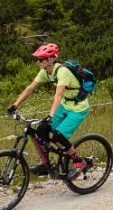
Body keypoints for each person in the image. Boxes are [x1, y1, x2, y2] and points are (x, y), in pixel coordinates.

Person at [9, 42, 88, 179]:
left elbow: (58, 95)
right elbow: (30, 88)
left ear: (50, 60)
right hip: (65, 105)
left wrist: (50, 115)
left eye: (41, 59)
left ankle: (78, 161)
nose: (37, 62)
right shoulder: (45, 71)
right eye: (37, 59)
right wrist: (15, 105)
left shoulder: (62, 71)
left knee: (58, 136)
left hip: (78, 108)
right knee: (41, 129)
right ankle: (46, 163)